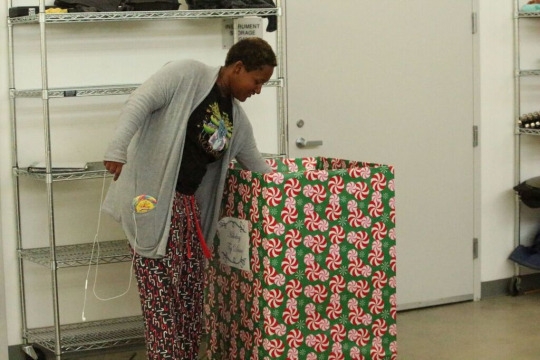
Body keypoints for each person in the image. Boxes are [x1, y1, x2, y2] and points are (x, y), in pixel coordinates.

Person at [102, 37, 276, 359]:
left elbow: (259, 167)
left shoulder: (237, 120)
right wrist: (117, 148)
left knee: (190, 302)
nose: (258, 90)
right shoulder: (186, 74)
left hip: (187, 211)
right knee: (162, 307)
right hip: (151, 206)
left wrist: (298, 190)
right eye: (257, 81)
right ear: (238, 68)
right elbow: (138, 103)